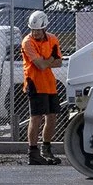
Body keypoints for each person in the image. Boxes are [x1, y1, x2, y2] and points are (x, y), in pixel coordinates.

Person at [21, 13, 64, 165]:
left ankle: (46, 149)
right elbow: (40, 65)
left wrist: (48, 62)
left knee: (52, 117)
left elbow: (59, 63)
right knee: (36, 118)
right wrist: (50, 59)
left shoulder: (52, 39)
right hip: (34, 83)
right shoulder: (27, 42)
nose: (35, 33)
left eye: (38, 30)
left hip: (49, 84)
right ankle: (33, 152)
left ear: (45, 27)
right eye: (33, 29)